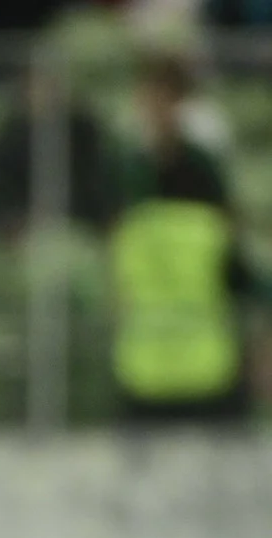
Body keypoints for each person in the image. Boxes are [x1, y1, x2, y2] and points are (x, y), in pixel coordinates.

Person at [109, 55, 253, 423]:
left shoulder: (202, 165)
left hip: (203, 338)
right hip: (146, 347)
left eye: (163, 98)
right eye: (147, 98)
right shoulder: (130, 169)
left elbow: (227, 237)